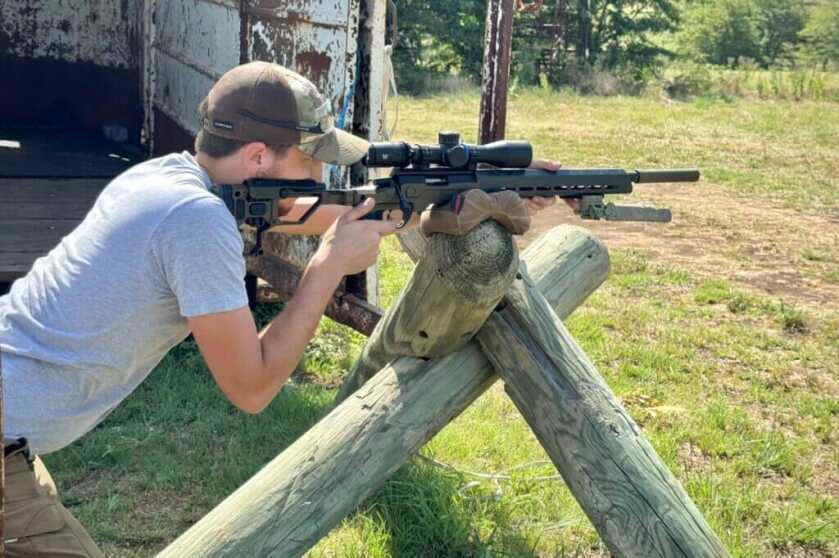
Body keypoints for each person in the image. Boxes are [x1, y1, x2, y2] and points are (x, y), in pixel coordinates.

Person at [0, 61, 562, 556]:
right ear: (257, 156)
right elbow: (253, 388)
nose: (321, 175)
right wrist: (325, 269)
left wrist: (449, 196)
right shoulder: (196, 224)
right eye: (311, 158)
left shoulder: (169, 178)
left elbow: (317, 211)